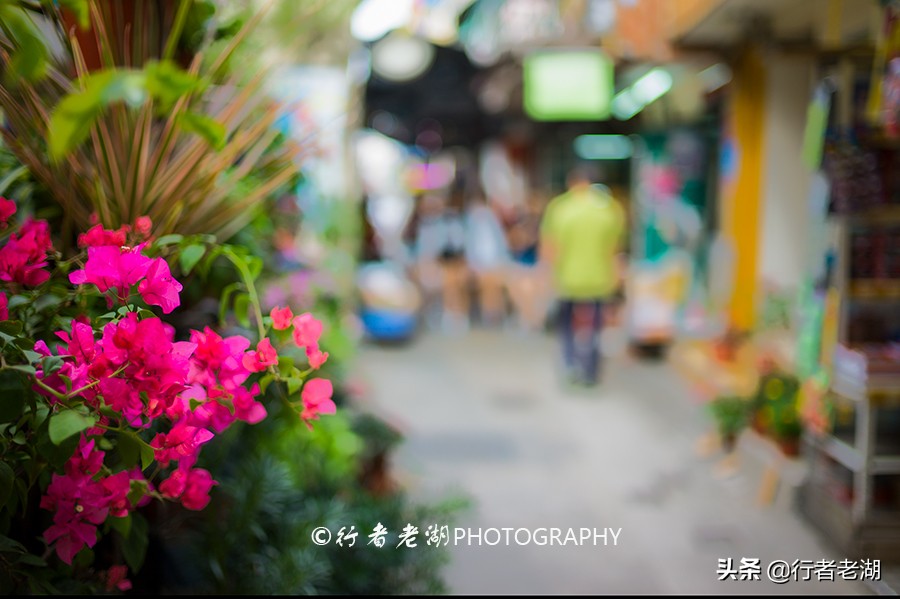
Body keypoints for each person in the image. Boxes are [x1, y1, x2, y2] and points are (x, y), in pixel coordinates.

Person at [539, 166, 626, 386]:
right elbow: (615, 249)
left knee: (567, 326)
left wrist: (547, 275)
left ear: (574, 182)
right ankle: (591, 371)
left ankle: (570, 366)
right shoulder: (610, 208)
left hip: (568, 279)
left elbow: (550, 247)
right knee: (596, 327)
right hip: (599, 279)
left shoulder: (560, 206)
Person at [463, 190, 511, 327]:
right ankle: (491, 314)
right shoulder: (470, 229)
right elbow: (470, 253)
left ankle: (493, 313)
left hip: (497, 265)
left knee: (493, 278)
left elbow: (503, 251)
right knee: (488, 279)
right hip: (479, 268)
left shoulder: (495, 227)